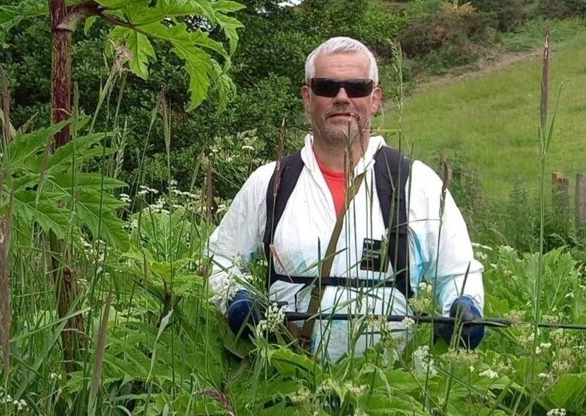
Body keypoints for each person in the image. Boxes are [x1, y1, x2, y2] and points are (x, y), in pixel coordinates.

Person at [207, 36, 485, 362]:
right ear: (308, 97)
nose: (342, 97)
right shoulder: (270, 182)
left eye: (356, 87)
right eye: (327, 86)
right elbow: (221, 260)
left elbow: (457, 273)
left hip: (386, 390)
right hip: (281, 380)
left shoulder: (416, 183)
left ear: (375, 98)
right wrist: (238, 300)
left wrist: (463, 307)